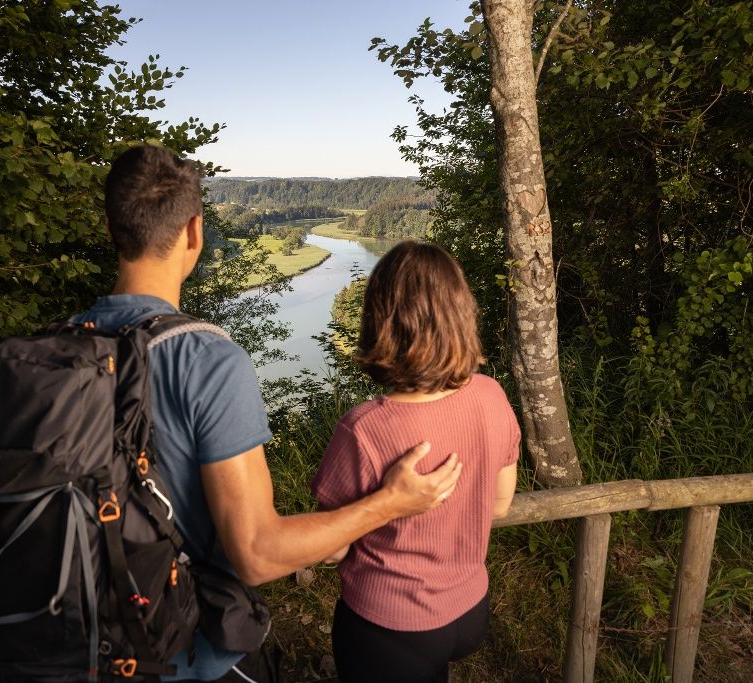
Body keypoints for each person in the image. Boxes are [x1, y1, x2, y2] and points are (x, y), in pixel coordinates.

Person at [69, 145, 463, 683]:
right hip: (182, 653)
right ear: (193, 233)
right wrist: (389, 503)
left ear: (115, 230)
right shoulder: (205, 359)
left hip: (75, 643)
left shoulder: (62, 348)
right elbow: (256, 554)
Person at [311, 240, 520, 683]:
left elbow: (331, 548)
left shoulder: (364, 428)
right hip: (469, 608)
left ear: (381, 322)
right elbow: (500, 504)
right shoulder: (491, 395)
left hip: (391, 626)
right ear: (461, 315)